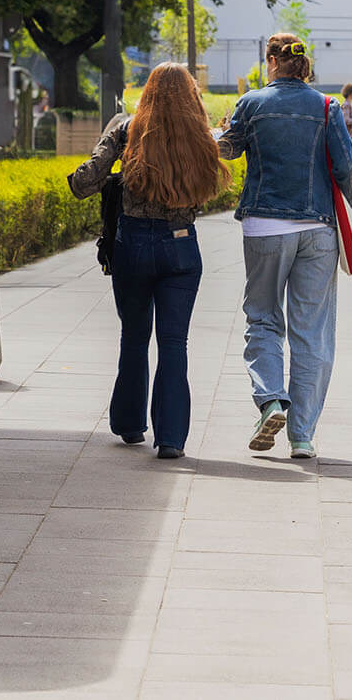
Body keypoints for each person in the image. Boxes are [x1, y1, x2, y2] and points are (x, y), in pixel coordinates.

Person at [70, 62, 229, 460]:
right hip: (181, 247)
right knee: (175, 343)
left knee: (134, 336)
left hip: (133, 245)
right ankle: (172, 438)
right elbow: (226, 157)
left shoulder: (126, 127)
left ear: (148, 91)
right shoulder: (200, 136)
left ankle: (128, 424)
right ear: (191, 95)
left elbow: (84, 184)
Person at [217, 34, 352, 460]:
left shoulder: (252, 103)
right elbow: (348, 167)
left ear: (271, 62)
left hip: (264, 227)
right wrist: (343, 205)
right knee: (311, 332)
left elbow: (228, 148)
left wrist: (223, 130)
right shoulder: (327, 106)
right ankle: (302, 436)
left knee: (262, 318)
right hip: (318, 228)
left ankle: (271, 401)